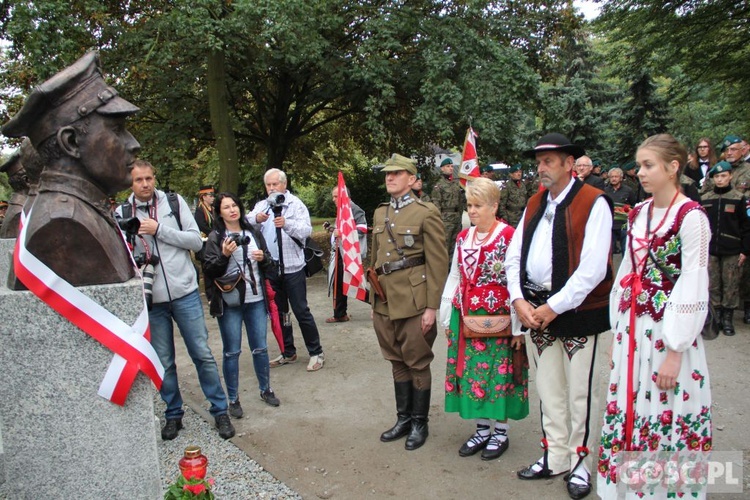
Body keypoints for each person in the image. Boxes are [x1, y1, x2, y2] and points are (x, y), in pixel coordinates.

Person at [597, 134, 712, 499]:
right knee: (630, 405)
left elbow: (693, 282)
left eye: (648, 165)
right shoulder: (639, 212)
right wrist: (618, 333)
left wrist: (676, 350)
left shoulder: (691, 217)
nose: (640, 172)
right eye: (640, 165)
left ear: (673, 167)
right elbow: (628, 272)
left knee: (667, 409)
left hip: (669, 329)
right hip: (634, 328)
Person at [505, 133, 613, 500]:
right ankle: (555, 455)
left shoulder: (593, 202)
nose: (541, 168)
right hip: (535, 311)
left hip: (578, 313)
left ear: (570, 163)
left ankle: (581, 462)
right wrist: (518, 300)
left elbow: (594, 268)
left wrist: (554, 306)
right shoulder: (535, 202)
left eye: (549, 160)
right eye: (539, 161)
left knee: (580, 393)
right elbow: (513, 254)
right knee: (548, 389)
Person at [116, 160, 235, 441]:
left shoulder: (174, 202)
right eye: (138, 180)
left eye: (148, 178)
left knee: (202, 355)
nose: (145, 184)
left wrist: (159, 230)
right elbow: (121, 257)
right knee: (165, 361)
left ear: (154, 178)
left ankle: (220, 410)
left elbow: (196, 242)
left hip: (185, 293)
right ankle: (173, 414)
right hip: (152, 300)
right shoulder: (121, 212)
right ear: (130, 183)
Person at [2, 51, 138, 288]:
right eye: (117, 129)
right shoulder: (63, 223)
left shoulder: (85, 210)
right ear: (71, 142)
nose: (134, 144)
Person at [440, 177, 528, 461]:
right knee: (472, 373)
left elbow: (518, 281)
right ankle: (481, 429)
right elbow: (455, 275)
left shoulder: (509, 236)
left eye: (478, 205)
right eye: (469, 205)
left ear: (494, 205)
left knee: (498, 373)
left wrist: (518, 327)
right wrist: (445, 316)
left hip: (501, 317)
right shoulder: (463, 238)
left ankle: (500, 431)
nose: (472, 211)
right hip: (466, 316)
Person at [371, 153, 448, 451]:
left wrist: (432, 307)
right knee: (396, 360)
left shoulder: (426, 212)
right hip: (386, 300)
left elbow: (438, 263)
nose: (390, 177)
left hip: (415, 301)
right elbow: (375, 258)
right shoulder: (380, 213)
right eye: (387, 173)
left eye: (397, 173)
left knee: (417, 361)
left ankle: (419, 422)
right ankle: (403, 419)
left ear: (413, 179)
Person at [203, 192, 281, 418]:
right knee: (232, 352)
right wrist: (225, 255)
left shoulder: (253, 232)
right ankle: (233, 399)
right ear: (219, 212)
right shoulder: (216, 237)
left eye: (234, 205)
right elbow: (209, 270)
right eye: (226, 207)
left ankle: (266, 389)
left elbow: (270, 267)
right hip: (230, 301)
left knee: (260, 348)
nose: (232, 210)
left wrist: (262, 258)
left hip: (255, 300)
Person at [248, 168, 325, 371]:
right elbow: (244, 222)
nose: (272, 188)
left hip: (293, 267)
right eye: (269, 185)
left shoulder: (295, 204)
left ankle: (316, 352)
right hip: (271, 267)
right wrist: (257, 220)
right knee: (280, 312)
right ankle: (287, 351)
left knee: (300, 310)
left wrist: (287, 224)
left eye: (275, 184)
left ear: (284, 184)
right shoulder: (262, 206)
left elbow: (307, 230)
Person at [700, 161, 750, 338]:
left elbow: (745, 225)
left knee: (730, 284)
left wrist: (745, 250)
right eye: (716, 176)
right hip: (711, 248)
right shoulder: (706, 198)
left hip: (732, 248)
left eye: (723, 176)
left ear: (730, 176)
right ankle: (717, 316)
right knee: (713, 283)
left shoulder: (738, 198)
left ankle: (728, 317)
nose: (720, 179)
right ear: (712, 178)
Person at [326, 186, 368, 323]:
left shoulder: (353, 208)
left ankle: (380, 303)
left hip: (350, 254)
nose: (333, 199)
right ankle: (339, 314)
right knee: (339, 283)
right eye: (333, 196)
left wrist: (342, 232)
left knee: (355, 282)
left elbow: (363, 228)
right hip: (341, 252)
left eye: (336, 196)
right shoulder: (342, 209)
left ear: (345, 195)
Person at [431, 157, 466, 261]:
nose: (450, 168)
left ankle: (452, 270)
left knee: (455, 247)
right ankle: (443, 272)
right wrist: (440, 220)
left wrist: (459, 216)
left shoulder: (455, 184)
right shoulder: (439, 186)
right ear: (442, 169)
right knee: (444, 247)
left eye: (451, 166)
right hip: (445, 221)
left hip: (456, 219)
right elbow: (436, 204)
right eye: (447, 166)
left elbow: (460, 202)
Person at [605, 167, 637, 254]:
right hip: (610, 225)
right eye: (611, 177)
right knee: (609, 250)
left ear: (621, 178)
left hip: (624, 225)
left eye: (616, 176)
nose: (614, 179)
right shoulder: (605, 190)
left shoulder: (628, 190)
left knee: (625, 250)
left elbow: (633, 205)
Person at [497, 163, 529, 228]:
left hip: (522, 216)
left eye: (520, 172)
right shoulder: (507, 186)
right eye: (516, 172)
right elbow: (502, 204)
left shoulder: (523, 185)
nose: (519, 174)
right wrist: (505, 218)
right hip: (512, 218)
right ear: (511, 174)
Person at [194, 185, 215, 261]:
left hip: (213, 240)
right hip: (205, 242)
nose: (213, 198)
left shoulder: (213, 209)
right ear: (204, 197)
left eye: (213, 196)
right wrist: (213, 233)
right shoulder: (200, 210)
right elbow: (202, 226)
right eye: (211, 196)